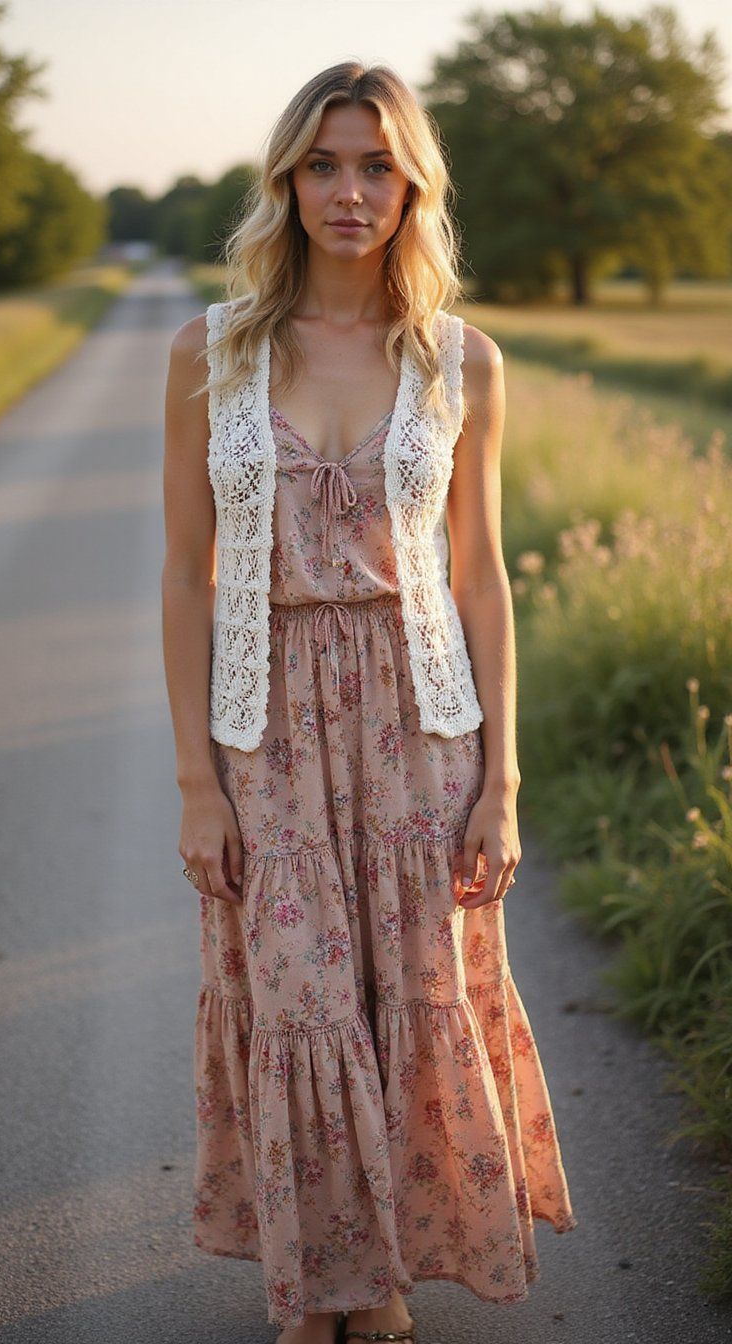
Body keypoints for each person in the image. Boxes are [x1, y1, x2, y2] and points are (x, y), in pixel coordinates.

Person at [161, 60, 576, 1344]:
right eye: (326, 165)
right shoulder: (212, 353)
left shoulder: (463, 362)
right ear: (288, 182)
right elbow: (185, 574)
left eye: (378, 166)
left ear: (413, 188)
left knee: (412, 991)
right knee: (300, 1001)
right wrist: (195, 783)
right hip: (268, 729)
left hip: (420, 727)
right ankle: (315, 1283)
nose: (351, 191)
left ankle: (381, 1276)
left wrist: (502, 782)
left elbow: (480, 576)